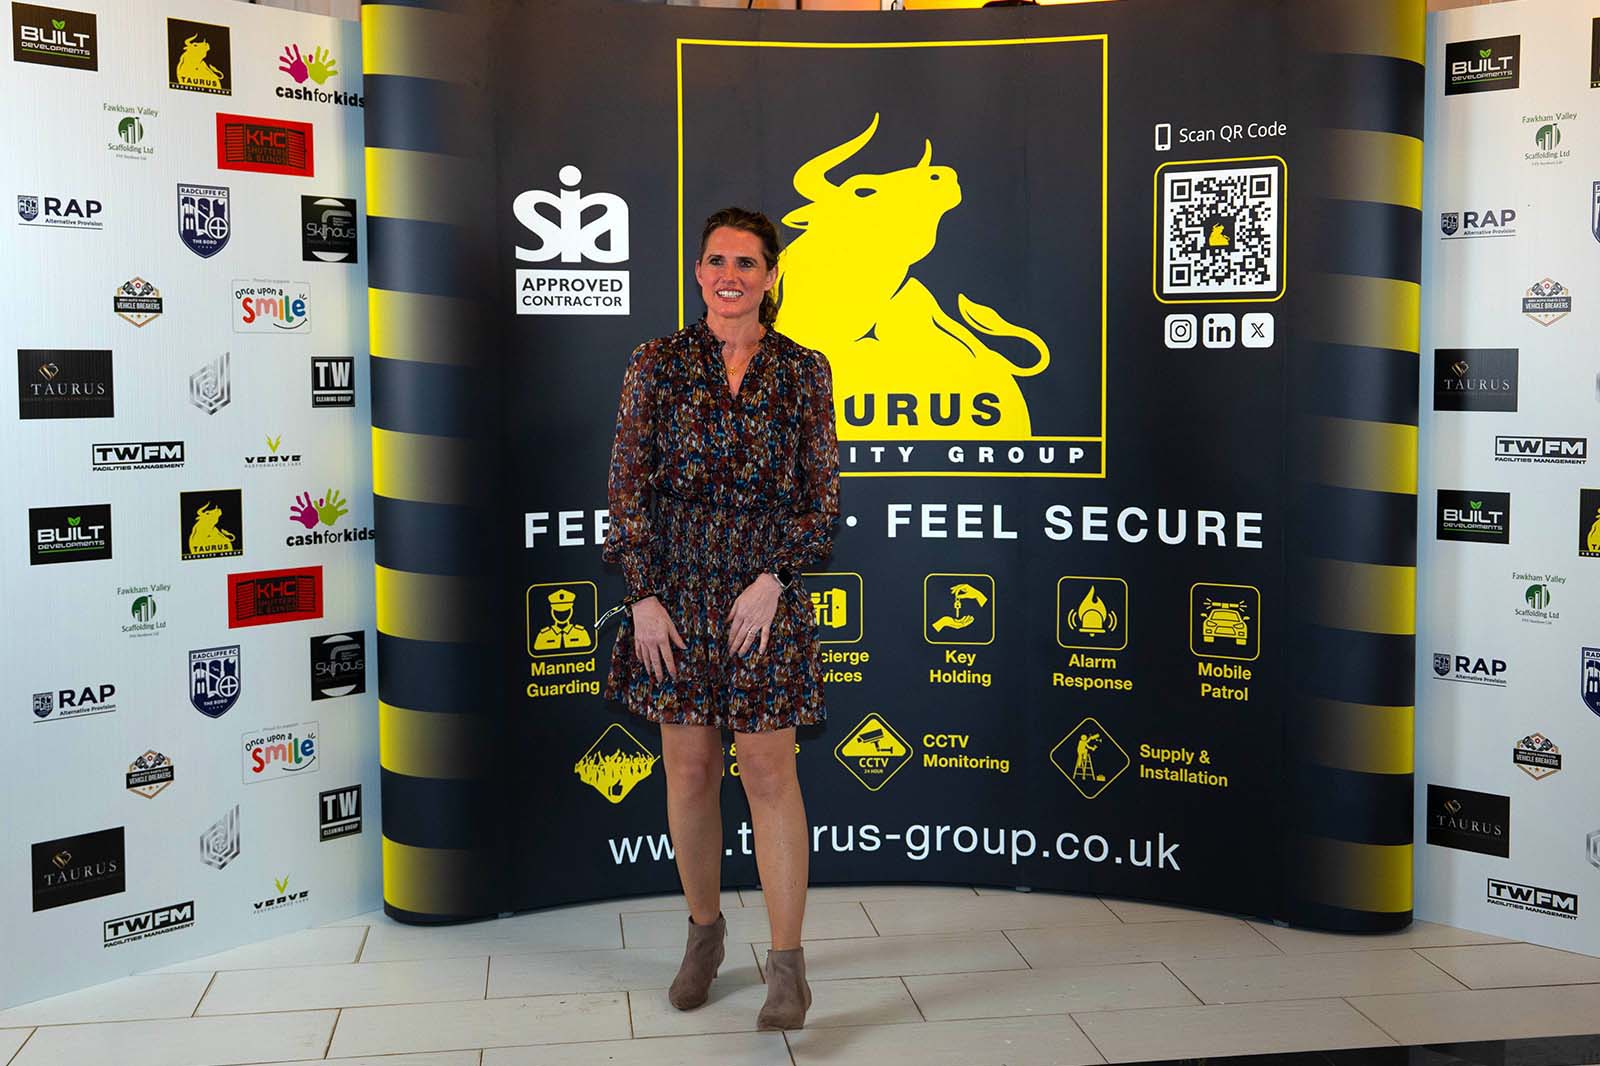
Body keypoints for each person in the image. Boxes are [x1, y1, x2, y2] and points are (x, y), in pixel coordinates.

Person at [602, 206, 840, 1030]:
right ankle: (704, 936)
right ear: (698, 272)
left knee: (771, 776)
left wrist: (777, 577)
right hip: (674, 593)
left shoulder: (804, 370)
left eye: (746, 262)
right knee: (690, 771)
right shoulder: (656, 363)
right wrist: (642, 595)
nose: (729, 275)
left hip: (761, 598)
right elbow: (627, 486)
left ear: (771, 276)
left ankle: (788, 968)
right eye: (716, 261)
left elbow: (821, 500)